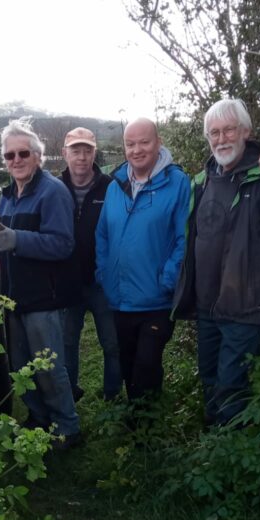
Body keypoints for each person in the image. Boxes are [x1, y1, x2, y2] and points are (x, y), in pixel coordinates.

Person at [172, 97, 260, 426]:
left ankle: (229, 450)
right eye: (214, 133)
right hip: (207, 304)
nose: (221, 139)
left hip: (244, 306)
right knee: (209, 375)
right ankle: (214, 436)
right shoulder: (202, 181)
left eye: (229, 130)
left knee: (231, 384)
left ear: (246, 132)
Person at [0, 118, 81, 447]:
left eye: (23, 153)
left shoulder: (52, 192)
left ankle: (67, 427)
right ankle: (39, 419)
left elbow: (63, 244)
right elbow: (2, 242)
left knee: (49, 369)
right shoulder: (9, 195)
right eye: (9, 156)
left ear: (38, 156)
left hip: (43, 298)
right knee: (23, 368)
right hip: (13, 298)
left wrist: (19, 240)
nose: (16, 160)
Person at [95, 117, 189, 401]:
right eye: (130, 144)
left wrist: (168, 278)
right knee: (127, 361)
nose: (137, 150)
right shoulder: (116, 186)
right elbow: (102, 235)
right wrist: (104, 273)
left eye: (144, 142)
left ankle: (145, 425)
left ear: (158, 143)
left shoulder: (177, 183)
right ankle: (140, 416)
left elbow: (185, 237)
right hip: (121, 297)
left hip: (156, 298)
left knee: (146, 364)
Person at [59, 126, 121, 402]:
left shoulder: (111, 187)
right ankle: (70, 392)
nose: (82, 157)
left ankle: (112, 393)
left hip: (101, 281)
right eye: (76, 151)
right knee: (68, 342)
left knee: (111, 342)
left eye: (87, 151)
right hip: (68, 281)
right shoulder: (54, 188)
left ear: (95, 153)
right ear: (65, 154)